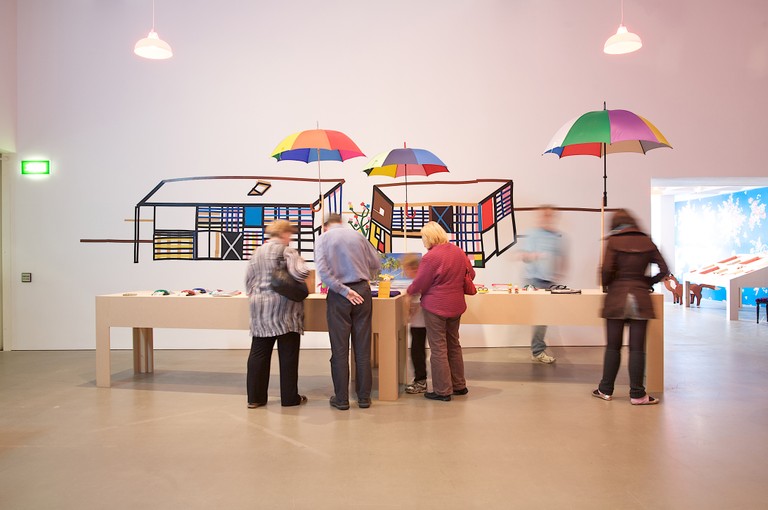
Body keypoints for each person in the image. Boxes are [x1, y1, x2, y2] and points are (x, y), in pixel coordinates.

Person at [593, 209, 670, 405]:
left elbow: (606, 270)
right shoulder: (646, 240)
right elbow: (664, 269)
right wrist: (647, 282)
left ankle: (605, 390)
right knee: (637, 348)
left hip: (617, 297)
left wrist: (608, 285)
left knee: (613, 346)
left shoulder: (613, 241)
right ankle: (637, 394)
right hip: (640, 298)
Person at [315, 213, 382, 411]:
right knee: (362, 348)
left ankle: (342, 399)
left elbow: (323, 272)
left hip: (339, 295)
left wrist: (344, 290)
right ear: (340, 222)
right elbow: (376, 263)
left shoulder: (323, 239)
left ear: (325, 226)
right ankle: (364, 398)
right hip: (362, 291)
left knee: (339, 349)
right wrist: (363, 278)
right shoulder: (358, 236)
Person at [245, 219, 310, 408]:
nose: (290, 237)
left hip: (260, 310)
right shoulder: (287, 251)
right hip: (285, 310)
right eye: (289, 234)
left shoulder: (257, 252)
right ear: (283, 233)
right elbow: (302, 273)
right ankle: (289, 398)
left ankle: (255, 398)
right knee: (288, 355)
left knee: (259, 353)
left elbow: (248, 281)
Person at [407, 222, 474, 401]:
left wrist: (409, 291)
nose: (423, 241)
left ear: (429, 237)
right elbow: (471, 274)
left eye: (423, 237)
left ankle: (442, 391)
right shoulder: (458, 251)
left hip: (435, 307)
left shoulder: (431, 257)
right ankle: (459, 385)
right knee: (454, 344)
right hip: (456, 305)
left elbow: (421, 282)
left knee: (438, 348)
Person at [520, 205, 566, 363]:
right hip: (534, 280)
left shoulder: (556, 236)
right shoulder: (533, 234)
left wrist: (559, 273)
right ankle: (538, 351)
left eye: (550, 215)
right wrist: (534, 256)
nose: (547, 218)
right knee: (540, 318)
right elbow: (524, 256)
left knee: (543, 318)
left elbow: (561, 256)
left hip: (549, 281)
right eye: (545, 215)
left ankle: (537, 349)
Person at [401, 253, 428, 394]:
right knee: (418, 351)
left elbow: (416, 304)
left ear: (413, 268)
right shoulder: (420, 281)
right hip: (420, 323)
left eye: (406, 268)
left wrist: (408, 312)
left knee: (417, 352)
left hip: (420, 324)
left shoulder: (418, 283)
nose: (405, 272)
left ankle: (420, 381)